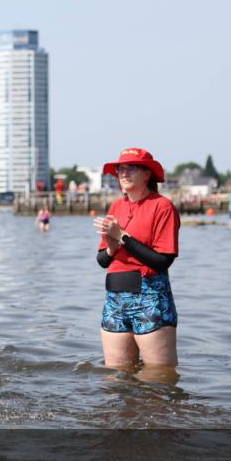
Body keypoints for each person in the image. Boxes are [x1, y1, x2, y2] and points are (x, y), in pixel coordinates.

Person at [92, 148, 180, 371]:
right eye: (120, 168)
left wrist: (122, 237)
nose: (123, 173)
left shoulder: (162, 206)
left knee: (159, 378)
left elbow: (163, 261)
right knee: (115, 379)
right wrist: (112, 248)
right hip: (114, 299)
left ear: (147, 174)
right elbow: (102, 261)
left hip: (150, 297)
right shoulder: (116, 207)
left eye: (131, 168)